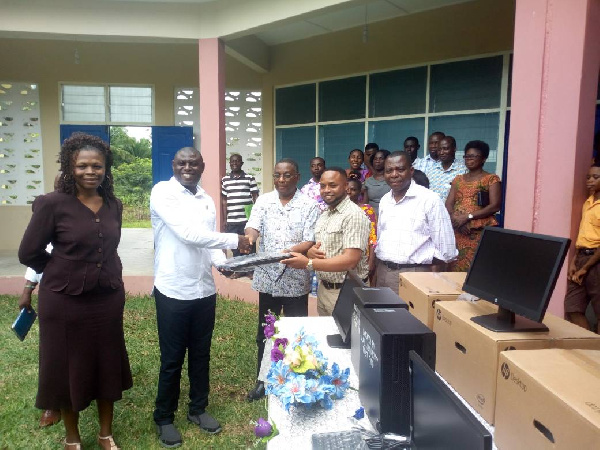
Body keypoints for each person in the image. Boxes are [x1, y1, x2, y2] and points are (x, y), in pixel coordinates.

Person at [18, 133, 132, 450]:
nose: (90, 171)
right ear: (70, 167)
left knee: (106, 362)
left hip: (106, 297)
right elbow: (29, 252)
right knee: (67, 366)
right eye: (82, 166)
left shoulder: (113, 205)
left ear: (106, 169)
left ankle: (105, 433)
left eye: (97, 166)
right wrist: (60, 268)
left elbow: (110, 247)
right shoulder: (52, 204)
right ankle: (72, 436)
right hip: (64, 300)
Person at [150, 147, 251, 447]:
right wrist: (236, 239)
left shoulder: (206, 198)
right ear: (173, 164)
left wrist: (223, 263)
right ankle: (164, 417)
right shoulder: (163, 192)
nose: (188, 167)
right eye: (182, 162)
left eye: (193, 163)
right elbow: (188, 234)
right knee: (171, 359)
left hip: (203, 289)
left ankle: (198, 409)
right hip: (173, 289)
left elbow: (207, 241)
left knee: (201, 354)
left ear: (203, 166)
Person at [244, 158, 320, 401]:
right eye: (277, 175)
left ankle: (295, 378)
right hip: (268, 279)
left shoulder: (309, 205)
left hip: (295, 278)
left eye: (287, 175)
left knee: (297, 332)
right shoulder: (264, 201)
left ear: (297, 177)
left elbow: (309, 241)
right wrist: (248, 238)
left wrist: (283, 254)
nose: (281, 180)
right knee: (267, 331)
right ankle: (263, 381)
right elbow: (253, 227)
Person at [283, 168, 370, 316]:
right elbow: (320, 248)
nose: (326, 190)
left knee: (346, 338)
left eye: (332, 185)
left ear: (346, 187)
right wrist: (310, 252)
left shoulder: (353, 215)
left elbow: (350, 260)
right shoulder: (325, 214)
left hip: (346, 291)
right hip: (324, 290)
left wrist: (308, 263)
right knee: (328, 336)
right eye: (323, 186)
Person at [375, 152, 457, 295]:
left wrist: (430, 274)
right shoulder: (384, 200)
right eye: (389, 171)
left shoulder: (429, 199)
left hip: (414, 273)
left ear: (411, 171)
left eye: (400, 169)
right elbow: (381, 237)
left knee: (409, 317)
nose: (394, 174)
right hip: (383, 272)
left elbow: (447, 249)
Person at [445, 140, 501, 271]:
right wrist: (457, 219)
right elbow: (448, 203)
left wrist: (468, 217)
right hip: (458, 230)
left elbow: (495, 206)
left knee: (476, 268)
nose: (469, 159)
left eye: (473, 156)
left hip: (478, 232)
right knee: (454, 267)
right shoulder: (458, 179)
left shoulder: (491, 179)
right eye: (467, 156)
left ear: (484, 159)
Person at [564, 163, 600, 331]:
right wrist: (574, 262)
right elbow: (583, 235)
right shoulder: (588, 202)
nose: (590, 181)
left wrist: (585, 268)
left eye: (595, 177)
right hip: (582, 258)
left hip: (596, 261)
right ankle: (591, 346)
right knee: (572, 307)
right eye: (588, 177)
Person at [220, 153, 259, 250]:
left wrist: (256, 217)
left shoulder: (249, 178)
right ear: (229, 163)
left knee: (249, 247)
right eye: (232, 161)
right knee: (235, 248)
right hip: (232, 222)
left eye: (237, 161)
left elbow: (256, 198)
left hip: (247, 221)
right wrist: (225, 219)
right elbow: (224, 201)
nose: (234, 163)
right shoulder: (225, 180)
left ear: (241, 163)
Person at [347, 178, 377, 282]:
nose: (349, 192)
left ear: (360, 192)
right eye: (346, 189)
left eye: (353, 189)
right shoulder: (337, 209)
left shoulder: (367, 210)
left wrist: (371, 261)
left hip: (362, 260)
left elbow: (373, 238)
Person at [425, 135, 468, 201]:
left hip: (453, 210)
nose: (441, 153)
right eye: (439, 150)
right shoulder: (431, 170)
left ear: (454, 149)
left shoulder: (464, 169)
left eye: (445, 149)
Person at [363, 149, 391, 216]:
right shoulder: (368, 181)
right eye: (375, 159)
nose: (377, 161)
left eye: (381, 159)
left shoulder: (391, 179)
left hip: (388, 214)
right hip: (371, 216)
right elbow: (365, 203)